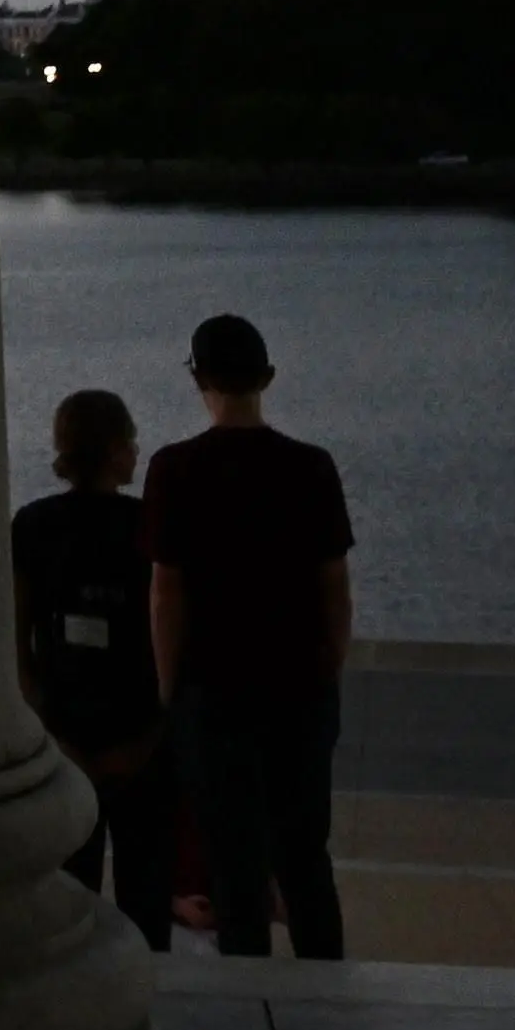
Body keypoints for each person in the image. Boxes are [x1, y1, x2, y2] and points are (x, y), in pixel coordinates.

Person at [145, 312, 354, 961]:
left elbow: (167, 593)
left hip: (213, 691)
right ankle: (326, 989)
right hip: (298, 687)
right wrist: (328, 673)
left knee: (232, 862)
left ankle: (254, 1003)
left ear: (198, 378)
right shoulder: (311, 467)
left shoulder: (174, 469)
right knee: (304, 857)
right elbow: (334, 589)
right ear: (267, 376)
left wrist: (168, 687)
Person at [14, 387, 168, 948]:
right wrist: (151, 736)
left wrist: (55, 735)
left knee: (66, 906)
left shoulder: (32, 527)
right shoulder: (151, 526)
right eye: (129, 440)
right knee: (146, 900)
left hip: (65, 739)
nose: (135, 451)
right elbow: (170, 636)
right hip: (140, 738)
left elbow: (17, 645)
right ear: (113, 451)